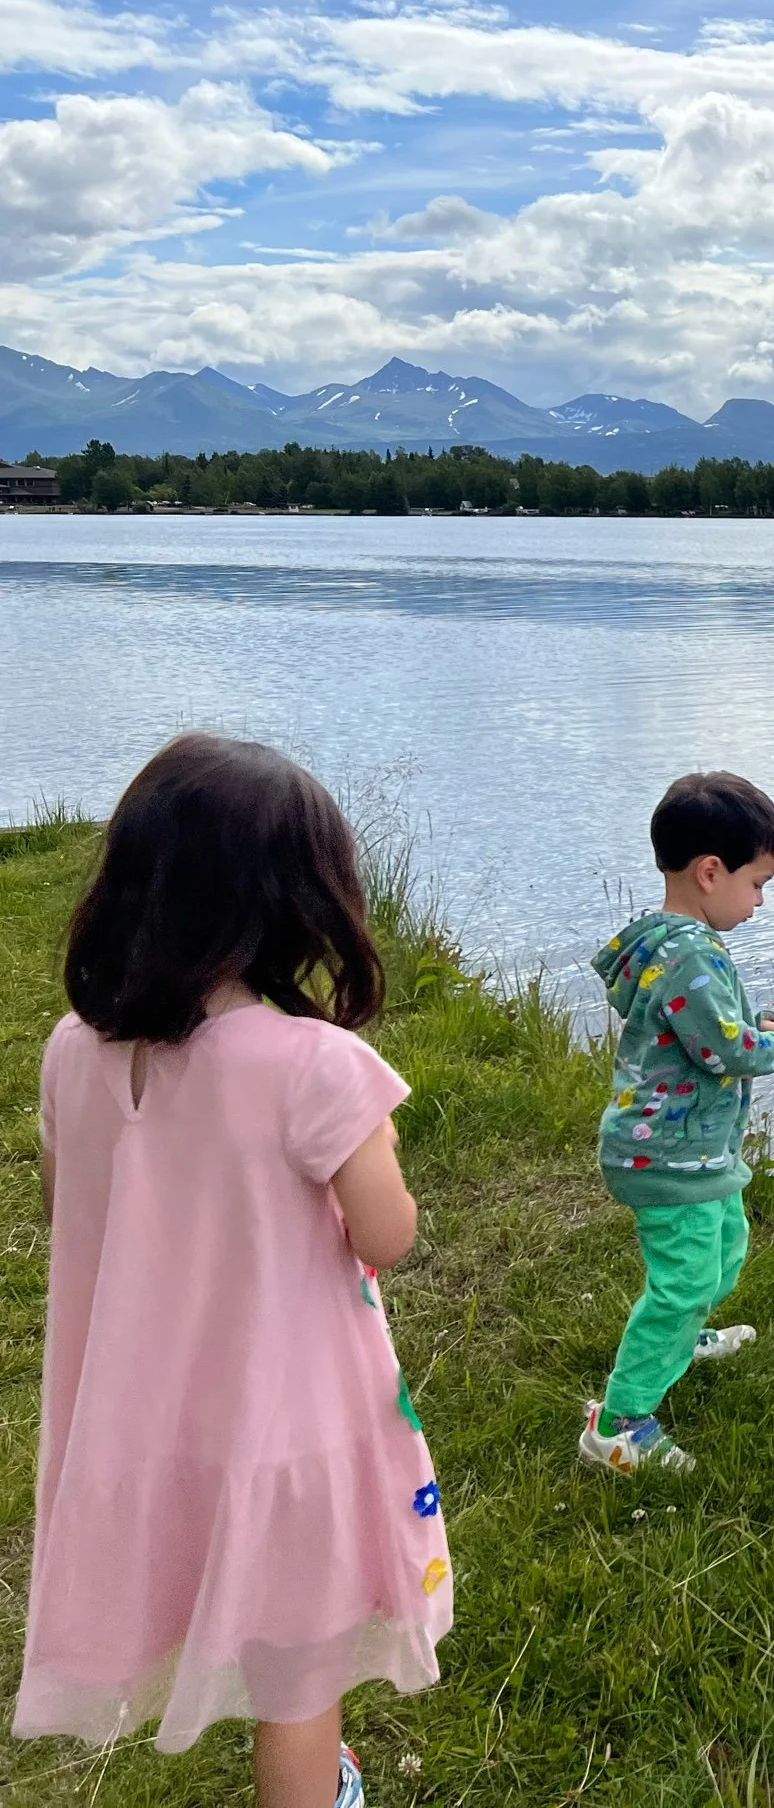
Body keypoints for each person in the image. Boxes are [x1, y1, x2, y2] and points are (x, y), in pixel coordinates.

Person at [13, 734, 448, 1808]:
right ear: (298, 905)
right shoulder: (316, 1066)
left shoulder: (74, 1047)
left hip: (148, 1419)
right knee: (300, 1672)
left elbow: (72, 1205)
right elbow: (385, 1235)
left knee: (220, 1591)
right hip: (290, 1422)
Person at [580, 771, 774, 1474]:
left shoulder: (673, 944)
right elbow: (722, 1049)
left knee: (725, 1248)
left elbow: (703, 1031)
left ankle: (680, 1337)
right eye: (757, 883)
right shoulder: (690, 951)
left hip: (694, 1149)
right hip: (667, 1153)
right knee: (685, 1280)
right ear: (709, 872)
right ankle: (619, 1423)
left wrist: (757, 1025)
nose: (760, 901)